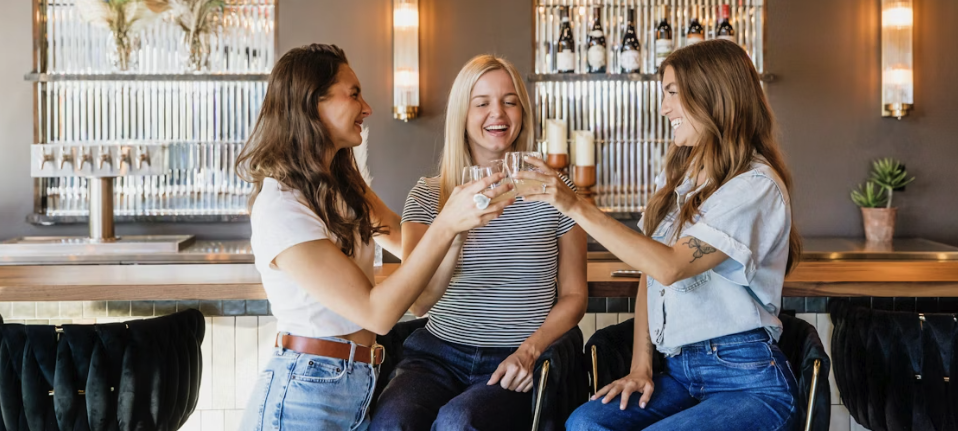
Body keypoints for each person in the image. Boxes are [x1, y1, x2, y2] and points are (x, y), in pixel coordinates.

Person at [519, 40, 803, 431]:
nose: (664, 108)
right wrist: (641, 367)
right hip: (680, 373)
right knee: (586, 424)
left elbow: (668, 267)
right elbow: (649, 272)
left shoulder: (754, 186)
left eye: (672, 93)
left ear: (712, 94)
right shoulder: (680, 180)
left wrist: (574, 204)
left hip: (748, 382)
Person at [236, 44, 513, 431]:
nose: (366, 108)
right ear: (311, 104)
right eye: (353, 95)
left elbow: (413, 258)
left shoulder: (342, 184)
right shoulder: (282, 207)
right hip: (304, 395)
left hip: (356, 383)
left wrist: (463, 227)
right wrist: (447, 223)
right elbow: (377, 312)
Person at [370, 55, 588, 431]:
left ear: (522, 110)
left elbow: (574, 296)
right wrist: (455, 229)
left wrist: (529, 352)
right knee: (392, 421)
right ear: (462, 115)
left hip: (518, 356)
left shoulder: (556, 191)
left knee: (460, 422)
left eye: (509, 100)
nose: (497, 113)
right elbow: (420, 302)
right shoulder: (426, 196)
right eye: (482, 102)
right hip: (436, 357)